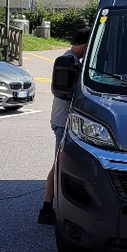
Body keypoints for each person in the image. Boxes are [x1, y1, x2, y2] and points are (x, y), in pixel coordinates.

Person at [38, 26, 91, 225]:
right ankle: (46, 208)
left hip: (63, 120)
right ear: (85, 45)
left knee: (59, 164)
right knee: (59, 165)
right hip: (63, 122)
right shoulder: (69, 62)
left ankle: (50, 206)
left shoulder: (72, 60)